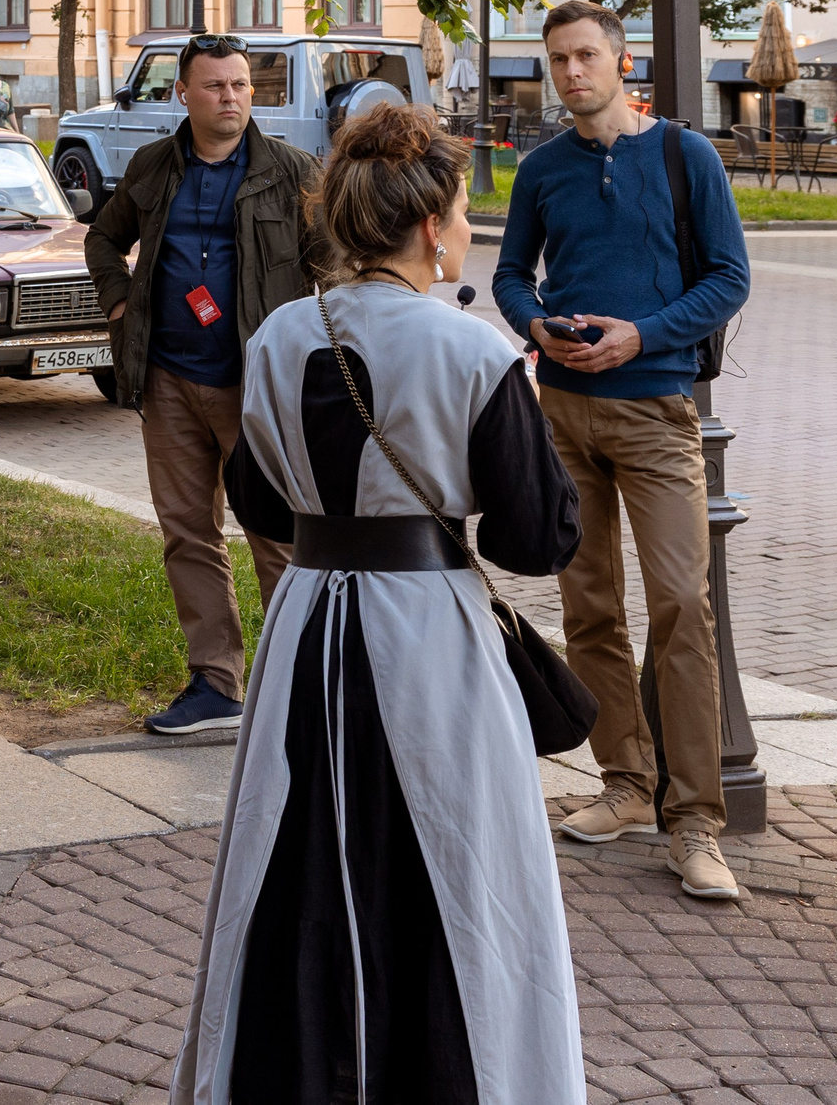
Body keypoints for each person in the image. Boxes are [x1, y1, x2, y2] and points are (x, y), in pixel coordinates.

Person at [174, 105, 584, 1105]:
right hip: (427, 634)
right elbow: (535, 537)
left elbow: (259, 499)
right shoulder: (472, 352)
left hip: (310, 622)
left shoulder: (275, 338)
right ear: (432, 225)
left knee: (294, 850)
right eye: (460, 210)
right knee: (453, 863)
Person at [493, 0, 751, 900]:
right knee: (589, 607)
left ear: (623, 61)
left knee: (682, 602)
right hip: (562, 412)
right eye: (557, 60)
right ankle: (626, 784)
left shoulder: (687, 156)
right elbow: (508, 274)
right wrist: (538, 329)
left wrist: (641, 335)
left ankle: (696, 821)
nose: (570, 73)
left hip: (653, 411)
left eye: (585, 56)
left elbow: (729, 277)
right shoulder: (541, 169)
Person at [85, 34, 317, 734]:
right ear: (182, 93)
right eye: (216, 86)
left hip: (258, 389)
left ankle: (297, 685)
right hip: (168, 380)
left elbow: (335, 266)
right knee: (189, 532)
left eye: (242, 85)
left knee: (277, 536)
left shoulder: (293, 172)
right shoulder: (156, 166)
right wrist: (121, 303)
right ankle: (216, 682)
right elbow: (103, 237)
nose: (232, 98)